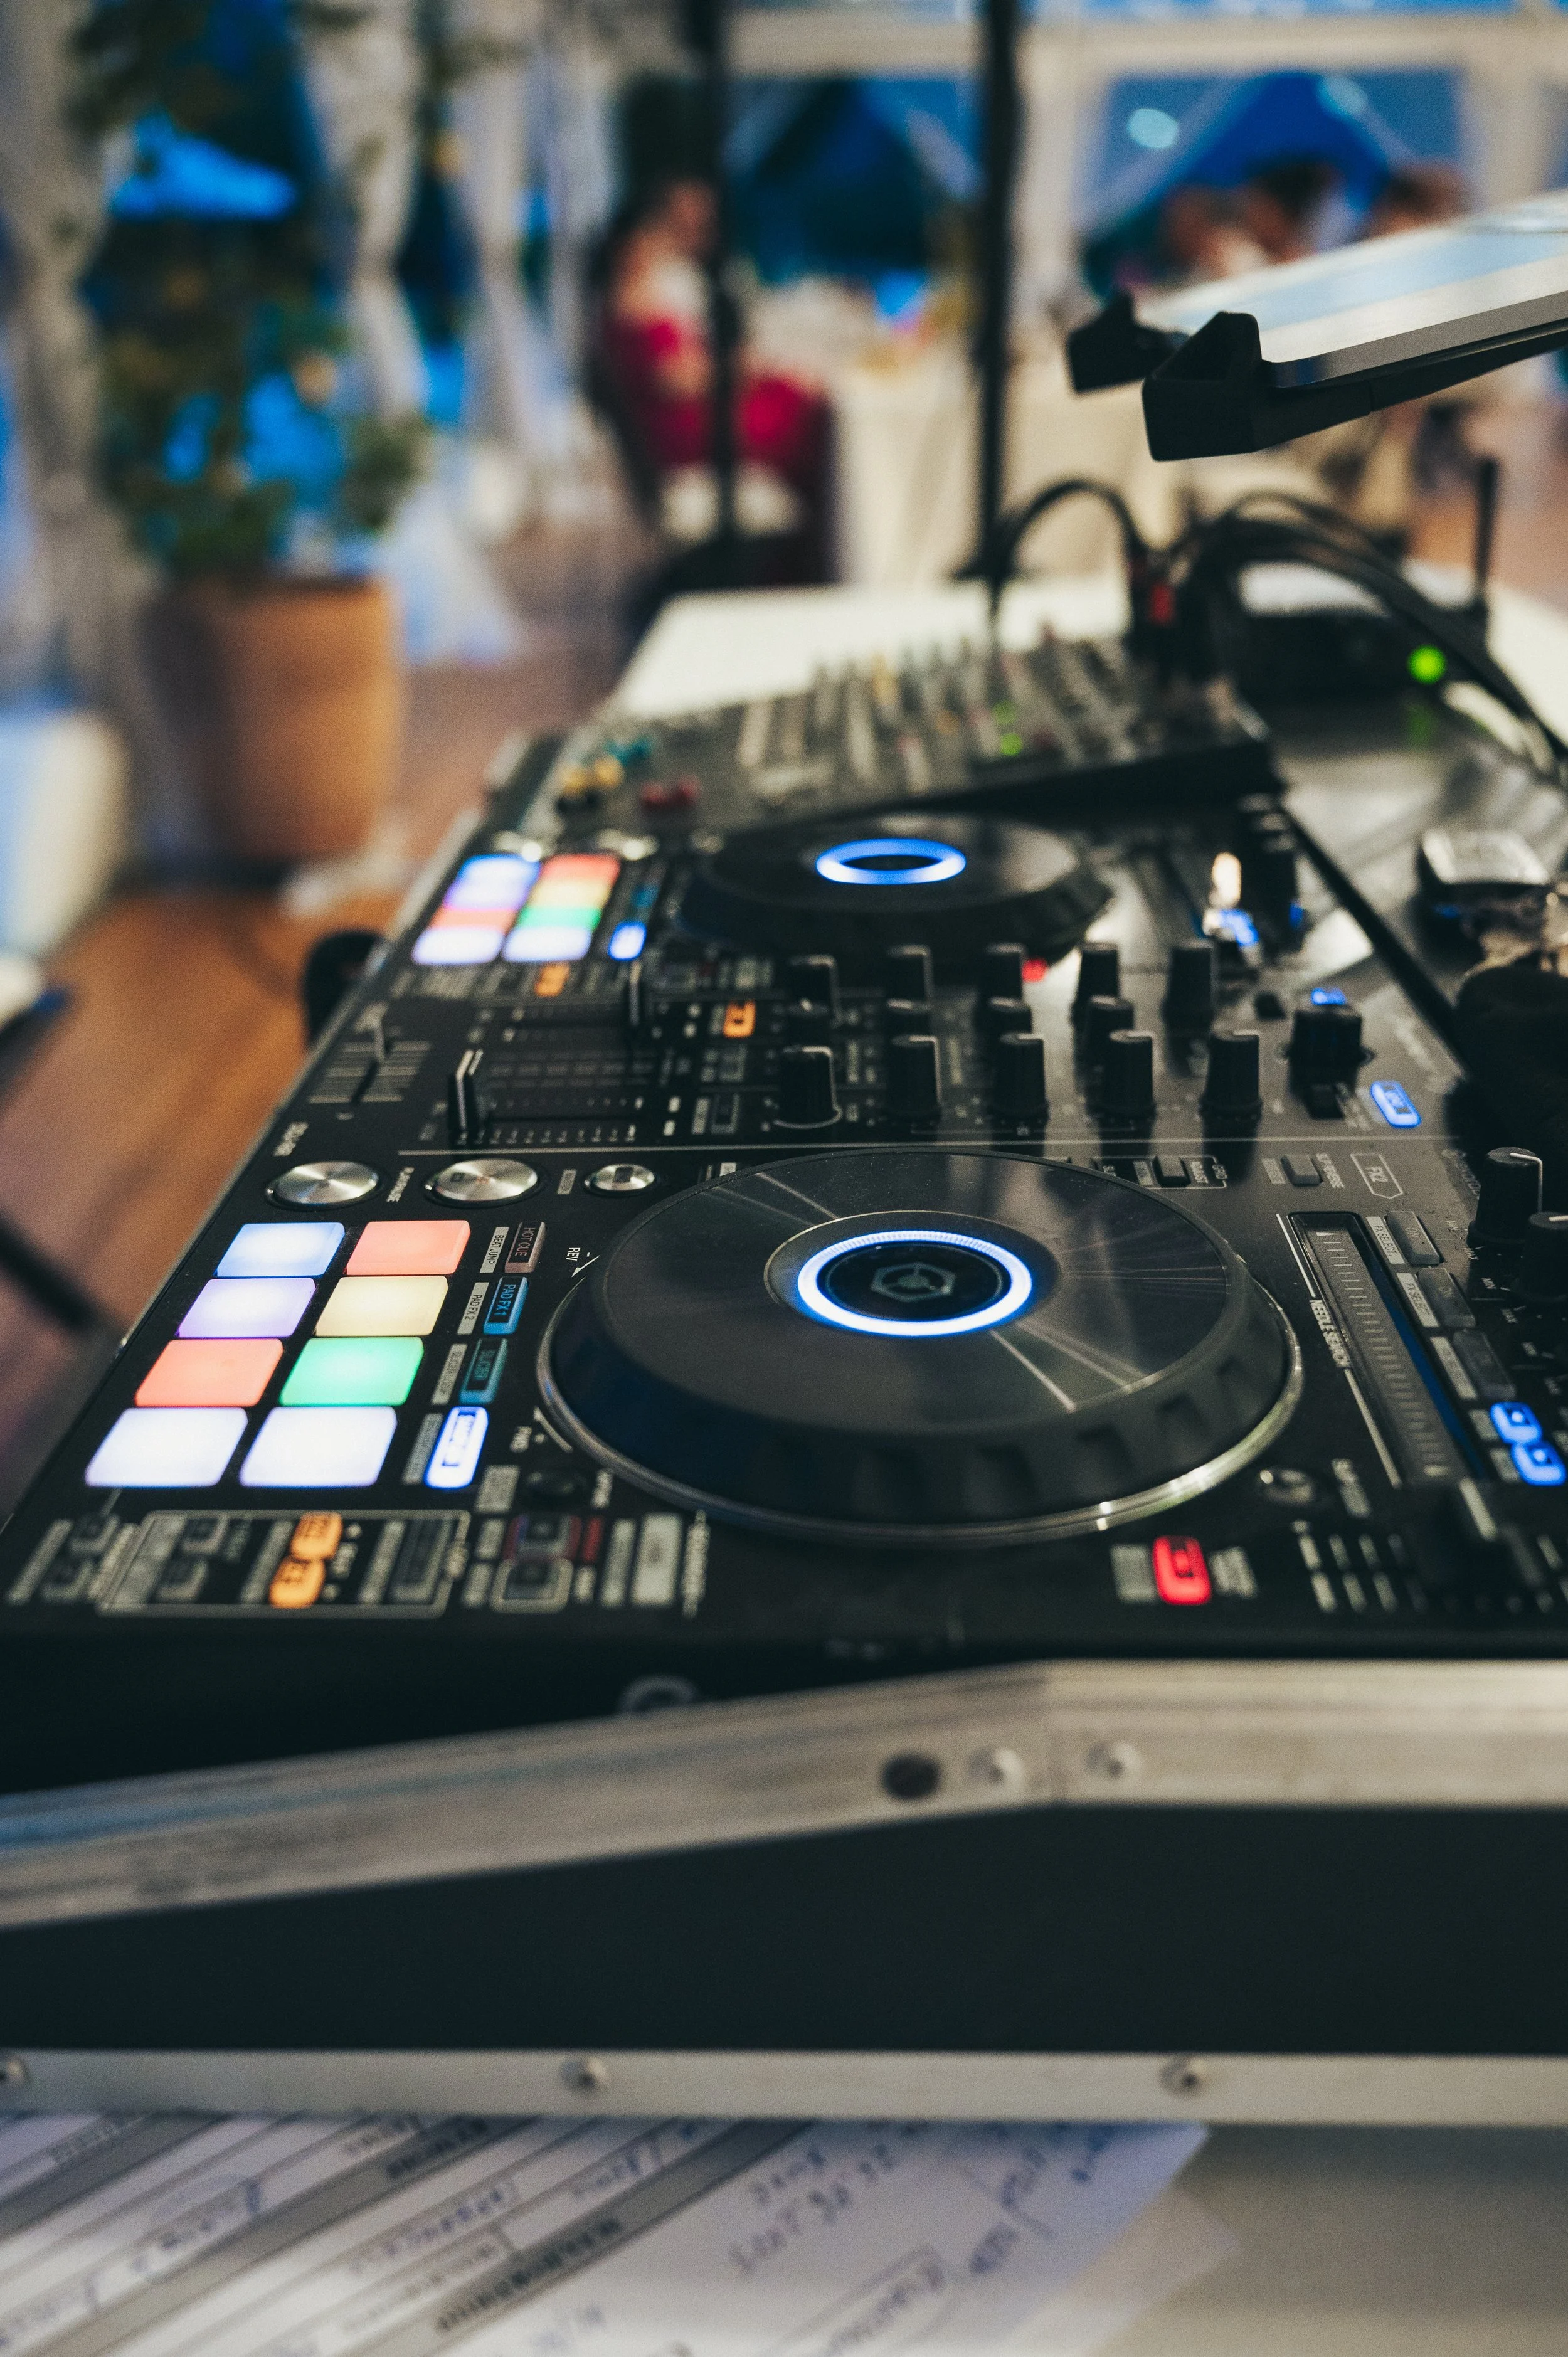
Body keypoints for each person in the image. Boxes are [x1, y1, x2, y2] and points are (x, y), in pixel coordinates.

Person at [593, 177, 833, 568]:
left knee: (796, 399)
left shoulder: (635, 295)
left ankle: (799, 555)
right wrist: (745, 365)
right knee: (807, 418)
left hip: (680, 422)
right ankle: (803, 559)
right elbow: (679, 377)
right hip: (683, 432)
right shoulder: (634, 299)